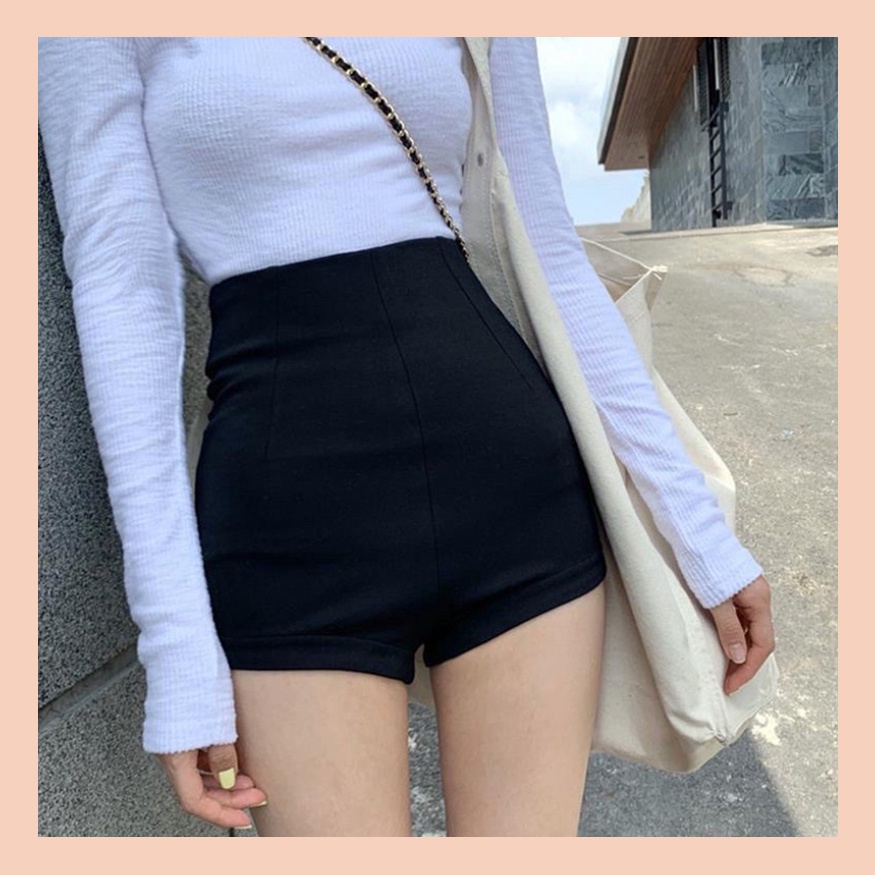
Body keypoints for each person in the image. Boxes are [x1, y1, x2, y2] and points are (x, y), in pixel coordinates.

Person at [37, 36, 775, 837]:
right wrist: (175, 648)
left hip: (512, 486)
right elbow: (118, 281)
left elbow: (550, 250)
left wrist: (696, 527)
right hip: (288, 524)